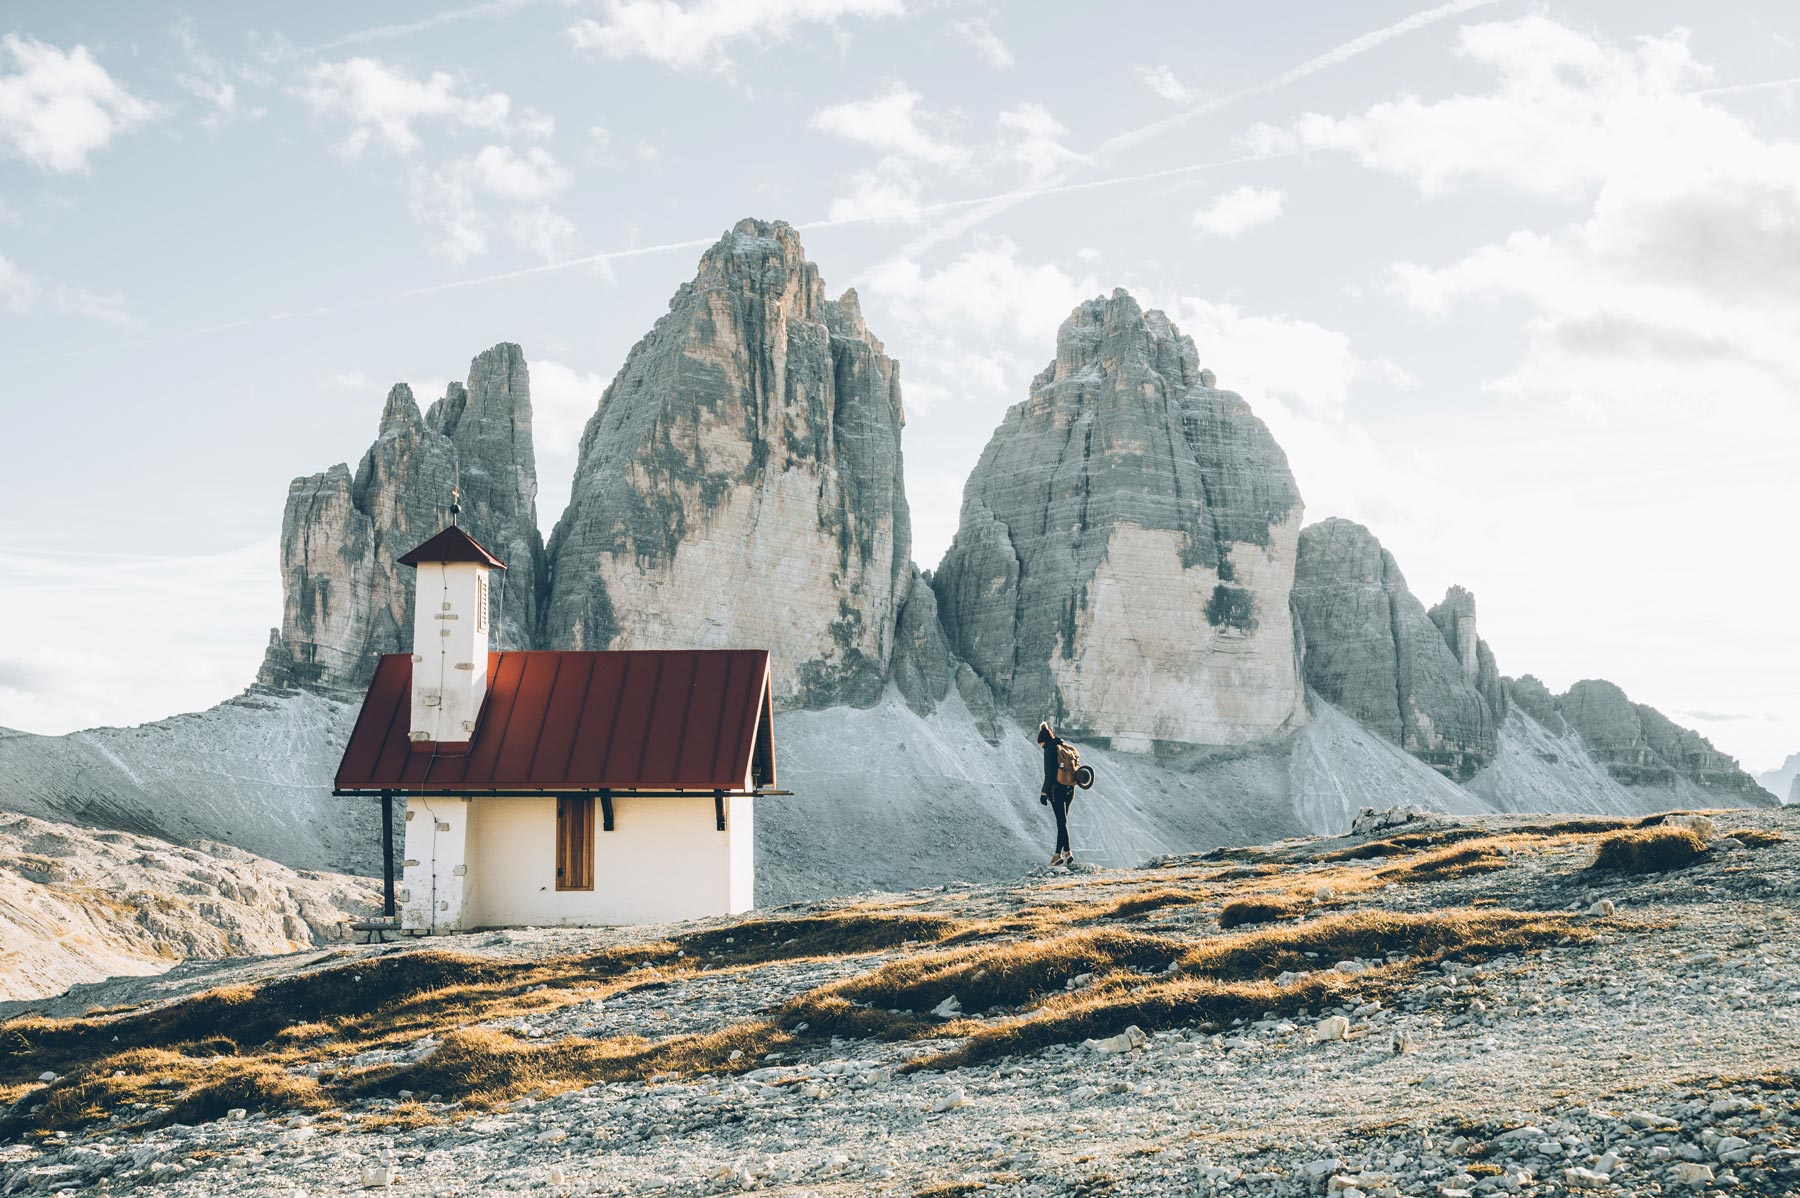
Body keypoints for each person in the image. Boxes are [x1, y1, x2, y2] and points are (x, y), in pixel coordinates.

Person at [1037, 721, 1075, 867]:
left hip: (1056, 791)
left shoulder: (1049, 750)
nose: (1040, 746)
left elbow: (1049, 774)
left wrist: (1044, 792)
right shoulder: (1062, 746)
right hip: (1070, 789)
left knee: (1061, 823)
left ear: (1043, 741)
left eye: (1040, 743)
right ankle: (1057, 855)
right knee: (1062, 823)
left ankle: (1068, 852)